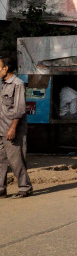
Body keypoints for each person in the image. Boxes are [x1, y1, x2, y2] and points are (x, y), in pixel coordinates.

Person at [0, 55, 32, 198]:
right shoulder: (2, 83)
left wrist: (12, 128)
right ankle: (1, 188)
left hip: (11, 129)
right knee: (0, 160)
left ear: (5, 68)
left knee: (16, 159)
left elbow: (19, 109)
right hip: (0, 129)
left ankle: (25, 187)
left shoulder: (17, 84)